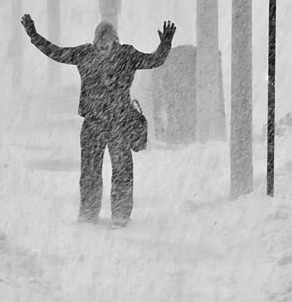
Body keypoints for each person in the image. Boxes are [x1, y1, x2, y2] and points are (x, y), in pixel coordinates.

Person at [21, 14, 176, 227]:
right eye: (100, 41)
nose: (103, 45)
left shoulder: (127, 55)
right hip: (93, 123)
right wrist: (33, 35)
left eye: (107, 40)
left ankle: (121, 215)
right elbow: (55, 52)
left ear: (115, 40)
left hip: (119, 123)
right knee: (90, 171)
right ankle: (88, 213)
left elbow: (154, 61)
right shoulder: (84, 54)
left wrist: (165, 44)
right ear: (95, 41)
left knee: (122, 170)